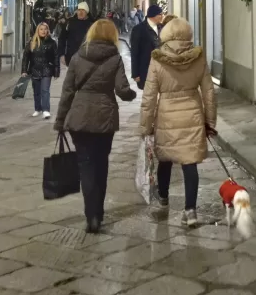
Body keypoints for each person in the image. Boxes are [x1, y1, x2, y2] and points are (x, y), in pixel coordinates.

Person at [55, 18, 136, 233]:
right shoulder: (115, 58)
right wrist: (131, 94)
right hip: (104, 117)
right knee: (101, 165)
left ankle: (91, 215)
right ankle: (98, 212)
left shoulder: (78, 56)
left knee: (86, 166)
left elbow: (68, 91)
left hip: (79, 116)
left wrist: (60, 120)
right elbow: (122, 89)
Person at [139, 16, 217, 228]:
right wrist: (210, 122)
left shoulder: (157, 59)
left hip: (167, 117)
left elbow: (149, 96)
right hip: (192, 115)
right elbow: (209, 92)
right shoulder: (198, 57)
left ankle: (163, 196)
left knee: (165, 157)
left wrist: (145, 127)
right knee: (189, 162)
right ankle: (190, 211)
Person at [21, 20, 59, 119]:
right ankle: (38, 109)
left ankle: (46, 110)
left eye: (45, 29)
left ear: (47, 31)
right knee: (36, 91)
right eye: (41, 29)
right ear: (38, 30)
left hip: (47, 70)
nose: (43, 31)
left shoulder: (52, 43)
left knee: (45, 90)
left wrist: (56, 71)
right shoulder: (32, 42)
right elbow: (26, 57)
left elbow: (56, 57)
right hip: (35, 69)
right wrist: (24, 70)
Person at [130, 4, 164, 90]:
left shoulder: (162, 27)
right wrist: (135, 73)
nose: (162, 16)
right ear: (153, 15)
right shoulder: (138, 29)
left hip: (162, 69)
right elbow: (134, 52)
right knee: (149, 96)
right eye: (160, 14)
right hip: (146, 69)